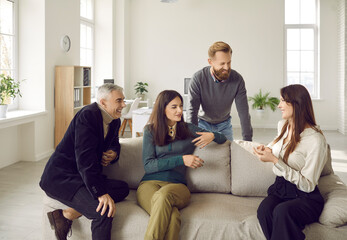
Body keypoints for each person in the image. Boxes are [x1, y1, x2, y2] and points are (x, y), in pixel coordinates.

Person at [40, 83, 130, 240]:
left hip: (83, 178)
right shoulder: (88, 115)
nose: (123, 104)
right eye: (119, 100)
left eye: (123, 100)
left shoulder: (115, 121)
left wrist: (113, 153)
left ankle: (66, 215)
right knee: (103, 213)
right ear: (103, 102)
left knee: (123, 189)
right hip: (63, 178)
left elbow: (115, 143)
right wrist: (100, 193)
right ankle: (66, 214)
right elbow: (84, 159)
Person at [136, 90, 227, 240]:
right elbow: (149, 166)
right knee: (172, 217)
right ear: (162, 108)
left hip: (177, 186)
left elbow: (222, 138)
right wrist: (182, 159)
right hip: (149, 184)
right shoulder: (150, 131)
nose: (179, 111)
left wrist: (213, 135)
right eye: (174, 107)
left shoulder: (189, 129)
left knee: (163, 195)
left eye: (180, 106)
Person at [254, 84, 327, 240]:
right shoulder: (283, 126)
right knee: (264, 211)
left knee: (282, 212)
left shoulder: (315, 140)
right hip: (280, 189)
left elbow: (308, 185)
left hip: (305, 197)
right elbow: (277, 147)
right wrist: (265, 149)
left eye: (282, 101)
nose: (279, 106)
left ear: (296, 103)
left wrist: (275, 161)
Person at [186, 41, 253, 141]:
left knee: (228, 153)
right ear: (210, 62)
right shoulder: (198, 78)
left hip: (224, 125)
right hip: (203, 123)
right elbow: (192, 111)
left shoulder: (237, 79)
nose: (226, 67)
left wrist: (248, 140)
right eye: (222, 64)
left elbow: (243, 112)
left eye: (229, 62)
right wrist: (191, 137)